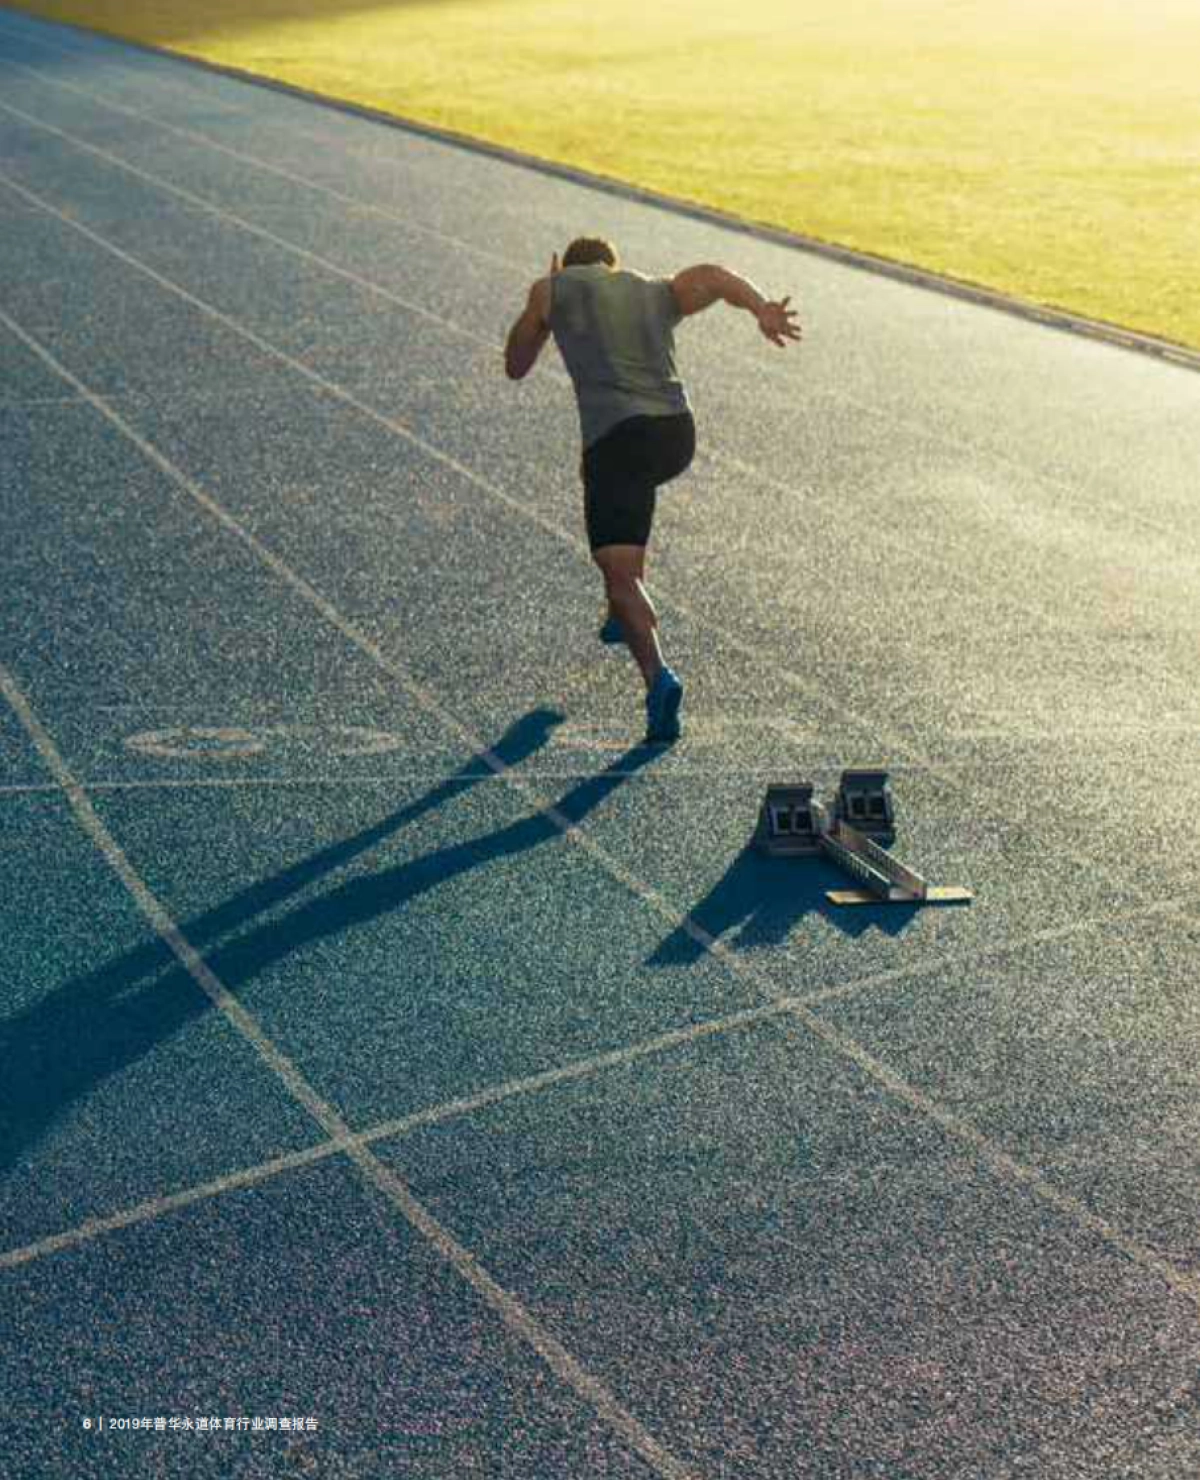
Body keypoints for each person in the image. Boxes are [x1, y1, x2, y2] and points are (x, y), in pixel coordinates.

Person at [504, 236, 801, 742]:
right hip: (674, 435)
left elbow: (516, 363)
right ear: (612, 265)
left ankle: (657, 674)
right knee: (618, 498)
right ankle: (618, 610)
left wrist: (546, 303)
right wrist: (761, 307)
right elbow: (712, 273)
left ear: (570, 267)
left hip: (617, 440)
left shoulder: (553, 289)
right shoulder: (653, 289)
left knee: (620, 569)